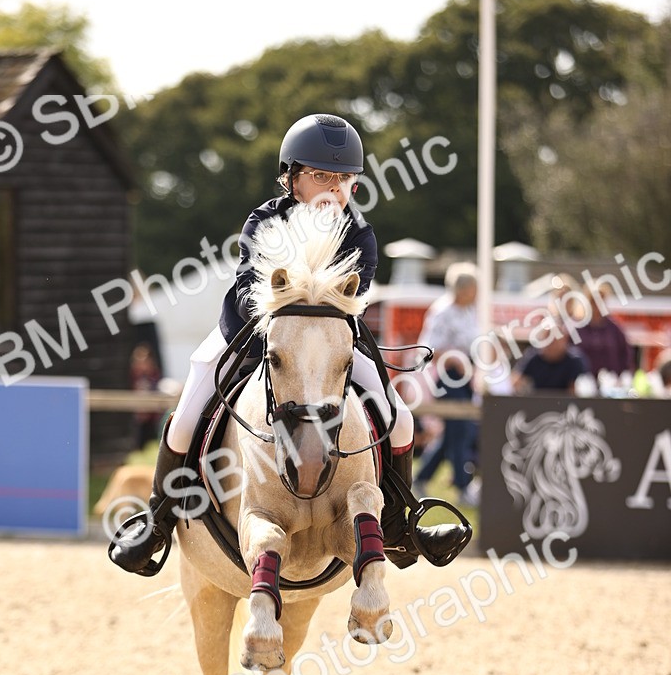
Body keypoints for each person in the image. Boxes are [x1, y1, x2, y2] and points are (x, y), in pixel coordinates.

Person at [110, 113, 469, 576]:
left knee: (399, 420)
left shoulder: (359, 233)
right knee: (185, 415)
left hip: (329, 349)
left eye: (344, 179)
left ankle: (400, 523)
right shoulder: (264, 221)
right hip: (248, 335)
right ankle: (157, 521)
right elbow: (247, 289)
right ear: (291, 178)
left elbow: (354, 299)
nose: (333, 188)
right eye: (321, 176)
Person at [414, 263, 481, 506]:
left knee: (455, 431)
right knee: (460, 430)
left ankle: (421, 478)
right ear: (463, 289)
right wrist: (455, 358)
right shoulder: (442, 312)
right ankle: (463, 487)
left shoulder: (469, 311)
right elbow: (429, 350)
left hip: (464, 377)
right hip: (445, 376)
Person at [572, 280, 633, 382]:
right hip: (583, 382)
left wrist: (622, 377)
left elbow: (625, 355)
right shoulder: (576, 328)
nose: (597, 305)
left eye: (601, 300)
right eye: (593, 300)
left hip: (610, 383)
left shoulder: (614, 329)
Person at [512, 319, 590, 393]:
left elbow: (581, 387)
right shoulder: (532, 357)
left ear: (565, 339)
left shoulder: (575, 360)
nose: (552, 341)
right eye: (548, 336)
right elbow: (516, 380)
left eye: (556, 337)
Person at [129, 344, 163, 450]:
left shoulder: (154, 375)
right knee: (139, 443)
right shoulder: (134, 376)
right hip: (139, 415)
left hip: (153, 414)